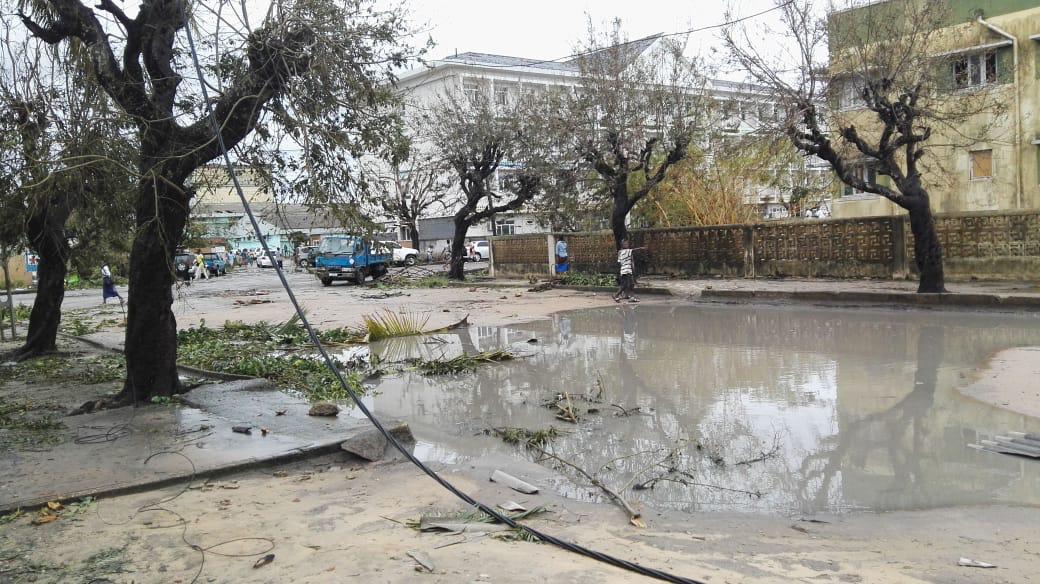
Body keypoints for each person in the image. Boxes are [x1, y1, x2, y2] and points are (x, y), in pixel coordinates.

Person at [613, 238, 645, 303]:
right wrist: (640, 248)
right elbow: (633, 250)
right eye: (625, 243)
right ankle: (616, 295)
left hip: (627, 270)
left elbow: (628, 261)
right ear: (622, 244)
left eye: (627, 243)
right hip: (625, 270)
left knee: (631, 284)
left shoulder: (626, 252)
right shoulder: (623, 251)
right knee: (625, 284)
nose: (626, 244)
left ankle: (630, 296)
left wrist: (632, 269)